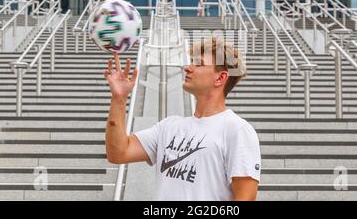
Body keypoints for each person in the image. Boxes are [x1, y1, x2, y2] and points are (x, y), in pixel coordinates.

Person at [104, 37, 261, 201]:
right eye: (191, 62)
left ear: (220, 78)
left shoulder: (237, 130)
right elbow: (118, 153)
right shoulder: (169, 126)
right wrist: (119, 99)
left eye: (198, 64)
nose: (187, 67)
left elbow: (245, 198)